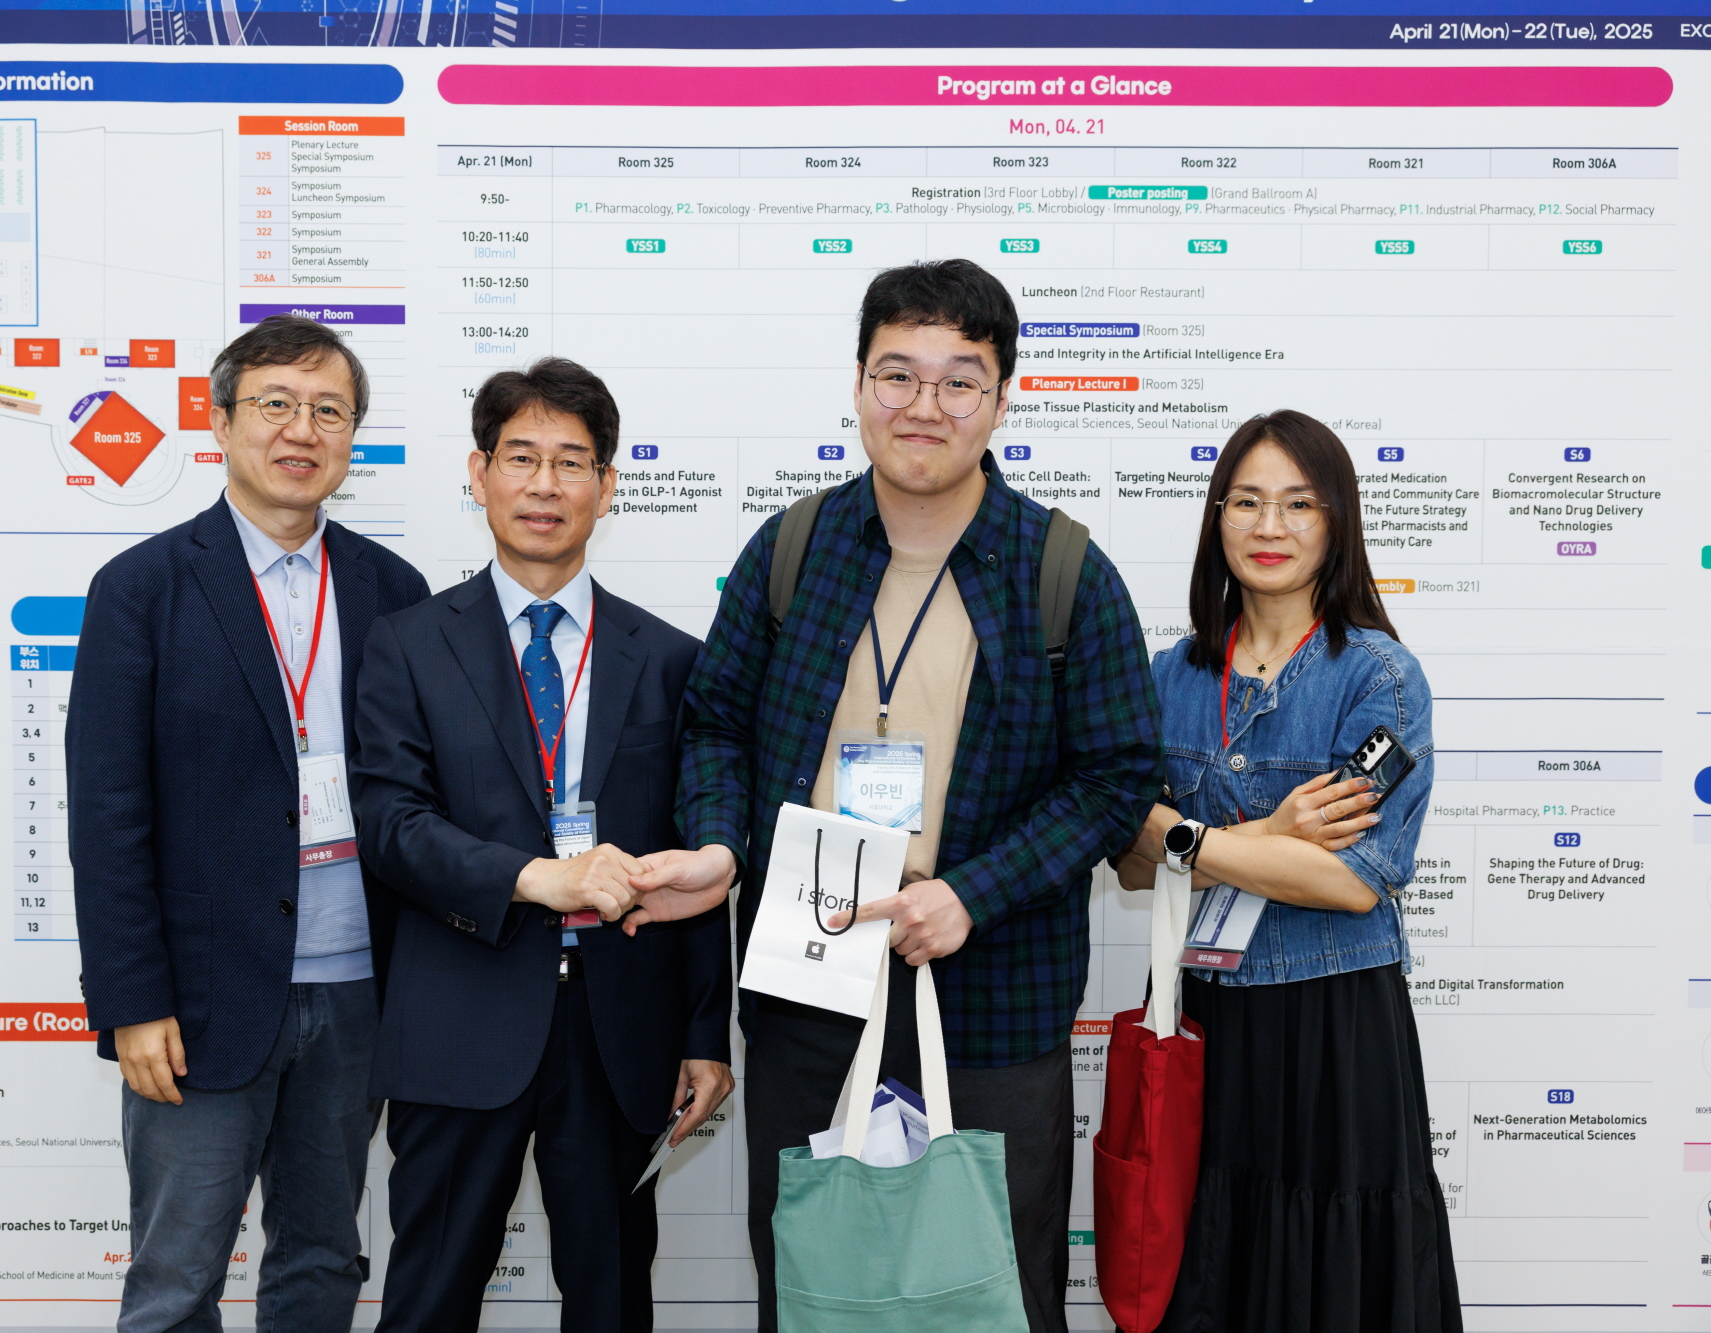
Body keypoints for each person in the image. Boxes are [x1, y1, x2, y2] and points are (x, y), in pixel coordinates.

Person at [628, 260, 1165, 1333]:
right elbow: (716, 724)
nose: (924, 405)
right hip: (809, 979)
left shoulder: (1062, 569)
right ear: (858, 386)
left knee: (993, 1291)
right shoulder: (793, 548)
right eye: (897, 374)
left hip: (993, 995)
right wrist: (722, 848)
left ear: (1001, 399)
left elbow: (1115, 778)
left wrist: (971, 892)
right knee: (815, 1283)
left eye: (958, 380)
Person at [352, 357, 733, 1333]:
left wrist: (703, 1033)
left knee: (612, 1303)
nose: (544, 484)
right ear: (479, 474)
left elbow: (696, 855)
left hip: (618, 1030)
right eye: (520, 457)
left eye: (571, 461)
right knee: (428, 1300)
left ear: (607, 485)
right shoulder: (406, 645)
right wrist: (536, 877)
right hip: (458, 1018)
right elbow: (391, 826)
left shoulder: (670, 659)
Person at [67, 315, 429, 1333]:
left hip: (357, 994)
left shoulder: (393, 592)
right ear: (221, 422)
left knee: (320, 1261)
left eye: (329, 410)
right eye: (276, 403)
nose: (301, 429)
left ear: (351, 437)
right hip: (198, 1001)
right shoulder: (142, 589)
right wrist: (133, 1001)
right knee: (176, 1280)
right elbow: (106, 814)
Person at [1113, 410, 1461, 1331]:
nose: (1270, 526)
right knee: (1209, 1267)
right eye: (1248, 502)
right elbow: (1131, 866)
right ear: (1216, 517)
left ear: (1337, 521)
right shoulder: (1170, 675)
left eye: (1299, 504)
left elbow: (1351, 879)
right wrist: (1270, 832)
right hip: (1200, 1016)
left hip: (1333, 1027)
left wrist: (1180, 835)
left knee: (1331, 1276)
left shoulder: (1378, 678)